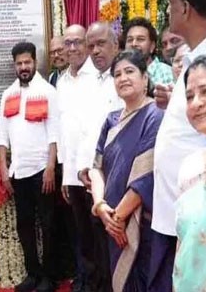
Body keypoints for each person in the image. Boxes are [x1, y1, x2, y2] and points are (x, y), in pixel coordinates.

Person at [87, 50, 163, 291]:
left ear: (145, 78)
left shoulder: (156, 115)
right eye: (117, 74)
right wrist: (101, 207)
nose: (123, 78)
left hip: (139, 225)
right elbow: (96, 168)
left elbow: (146, 176)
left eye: (129, 71)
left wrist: (118, 219)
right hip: (112, 222)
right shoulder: (111, 120)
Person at [152, 0, 206, 292]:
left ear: (185, 8)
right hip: (178, 214)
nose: (168, 11)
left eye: (170, 4)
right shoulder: (191, 59)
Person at [0, 41, 59, 292]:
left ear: (35, 62)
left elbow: (54, 133)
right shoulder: (8, 94)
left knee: (48, 225)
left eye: (27, 62)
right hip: (18, 172)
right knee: (24, 225)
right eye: (19, 63)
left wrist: (50, 167)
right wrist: (4, 170)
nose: (23, 67)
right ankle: (32, 274)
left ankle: (49, 278)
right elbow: (2, 136)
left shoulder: (47, 91)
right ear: (14, 65)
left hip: (42, 171)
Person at [80, 22, 123, 292]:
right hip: (93, 180)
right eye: (91, 46)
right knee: (98, 247)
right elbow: (84, 129)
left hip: (120, 178)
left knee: (119, 247)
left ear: (116, 45)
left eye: (101, 44)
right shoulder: (88, 82)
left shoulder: (124, 78)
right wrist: (83, 167)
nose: (95, 51)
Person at [56, 25, 95, 292]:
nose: (72, 48)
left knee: (96, 231)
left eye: (77, 42)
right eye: (67, 43)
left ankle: (98, 283)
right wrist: (65, 175)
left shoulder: (99, 77)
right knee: (79, 231)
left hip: (93, 171)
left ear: (87, 45)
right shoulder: (61, 82)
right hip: (71, 173)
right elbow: (62, 130)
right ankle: (84, 280)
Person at [173, 55, 206, 291]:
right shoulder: (189, 167)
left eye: (205, 92)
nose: (196, 103)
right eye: (189, 96)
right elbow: (184, 245)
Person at [123, 17, 174, 88]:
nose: (134, 44)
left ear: (152, 46)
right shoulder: (119, 74)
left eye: (140, 39)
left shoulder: (167, 72)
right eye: (130, 40)